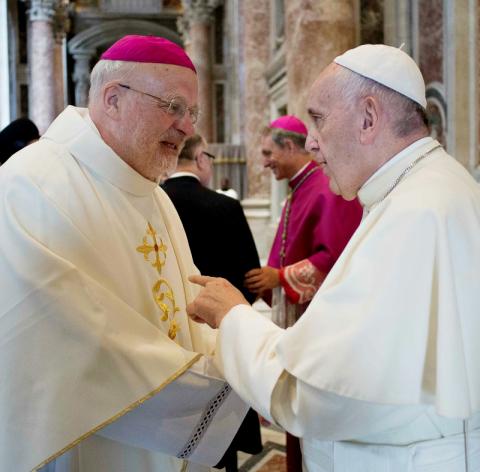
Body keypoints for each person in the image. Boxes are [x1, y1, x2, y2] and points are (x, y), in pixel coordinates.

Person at [187, 44, 480, 472]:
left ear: (368, 117)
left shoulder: (414, 213)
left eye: (319, 119)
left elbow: (313, 397)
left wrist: (233, 317)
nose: (311, 142)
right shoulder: (432, 189)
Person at [0, 35, 251, 472]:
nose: (187, 127)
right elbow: (69, 334)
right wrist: (220, 380)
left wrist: (238, 347)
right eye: (173, 107)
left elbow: (189, 308)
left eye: (191, 112)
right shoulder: (29, 183)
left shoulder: (155, 197)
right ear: (113, 99)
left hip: (161, 444)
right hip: (85, 442)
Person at [244, 115, 362, 470]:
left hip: (320, 328)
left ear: (290, 146)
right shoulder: (300, 187)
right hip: (301, 321)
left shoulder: (327, 189)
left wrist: (279, 277)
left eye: (268, 153)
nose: (264, 163)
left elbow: (335, 259)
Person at [162, 134, 263, 471]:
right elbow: (250, 280)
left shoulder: (149, 203)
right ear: (202, 159)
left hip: (164, 338)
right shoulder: (225, 206)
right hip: (218, 335)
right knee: (221, 433)